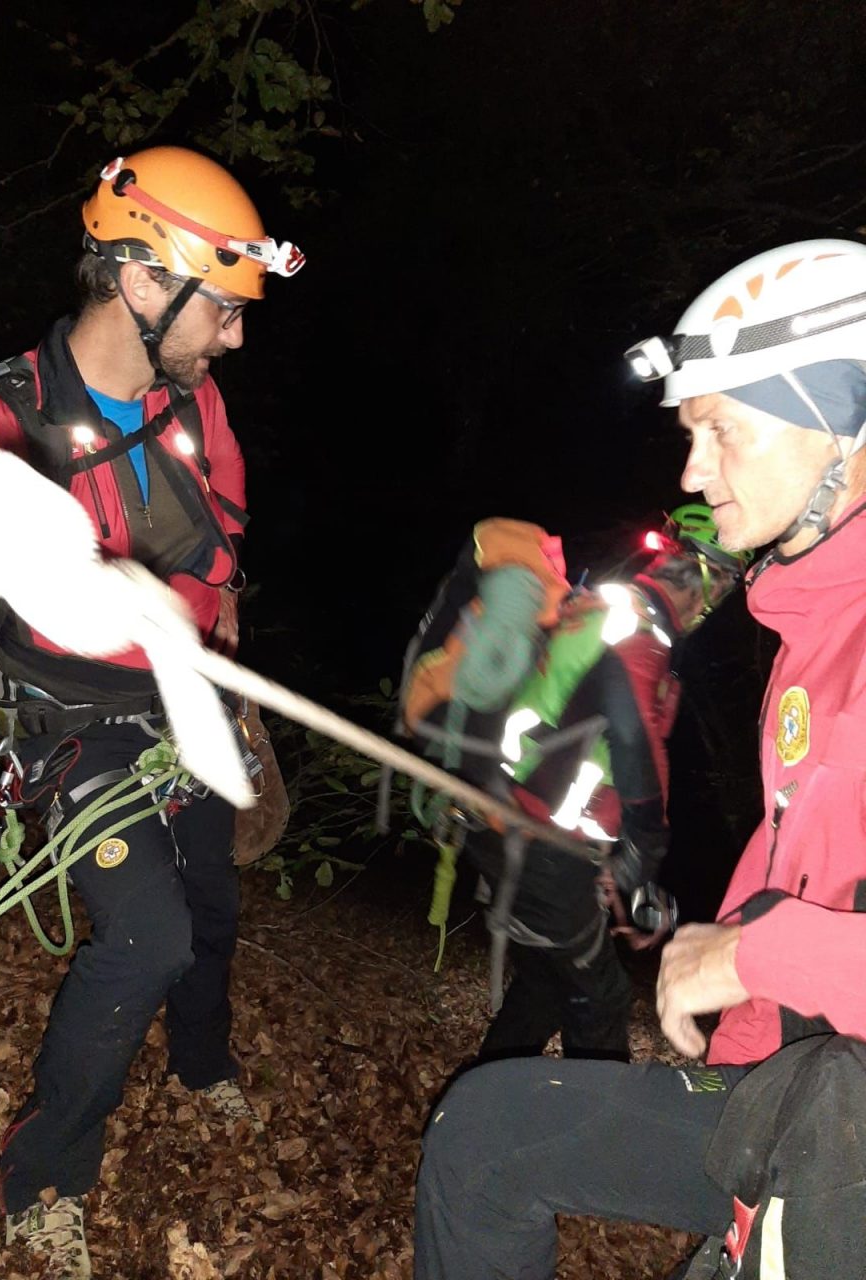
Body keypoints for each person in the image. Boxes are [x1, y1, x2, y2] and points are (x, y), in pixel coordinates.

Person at [413, 237, 866, 1280]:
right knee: (495, 1125)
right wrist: (728, 957)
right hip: (785, 1081)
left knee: (563, 1000)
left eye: (722, 430)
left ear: (839, 425)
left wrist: (746, 954)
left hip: (841, 1131)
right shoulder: (806, 624)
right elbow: (795, 842)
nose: (693, 471)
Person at [0, 145, 304, 1279]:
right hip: (68, 717)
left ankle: (201, 1061)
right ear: (141, 283)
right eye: (220, 310)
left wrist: (217, 645)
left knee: (214, 895)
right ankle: (43, 1174)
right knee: (150, 932)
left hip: (180, 696)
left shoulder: (194, 401)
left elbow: (221, 532)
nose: (233, 336)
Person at [467, 507, 748, 1066]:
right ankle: (597, 1137)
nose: (710, 603)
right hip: (535, 835)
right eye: (716, 584)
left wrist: (617, 862)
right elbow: (631, 735)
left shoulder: (604, 609)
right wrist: (646, 840)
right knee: (602, 999)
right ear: (699, 575)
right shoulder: (635, 628)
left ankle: (478, 1097)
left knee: (548, 985)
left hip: (520, 825)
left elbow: (591, 738)